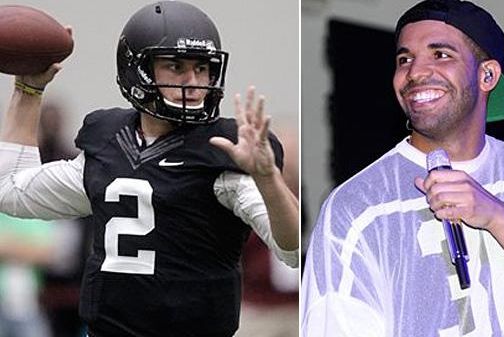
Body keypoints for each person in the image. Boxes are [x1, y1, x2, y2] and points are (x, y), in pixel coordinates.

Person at [301, 0, 504, 336]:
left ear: (487, 75)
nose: (415, 72)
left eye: (440, 54)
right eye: (404, 59)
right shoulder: (356, 205)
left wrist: (497, 216)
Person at [0, 1, 299, 337]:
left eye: (202, 68)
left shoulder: (222, 153)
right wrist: (29, 90)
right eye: (176, 66)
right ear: (137, 70)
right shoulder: (108, 144)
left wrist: (268, 177)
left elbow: (292, 249)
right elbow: (11, 191)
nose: (194, 81)